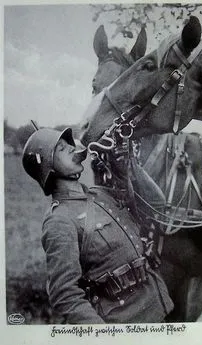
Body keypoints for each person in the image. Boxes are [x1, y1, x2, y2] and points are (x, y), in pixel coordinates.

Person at [22, 126, 173, 324]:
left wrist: (128, 165)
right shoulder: (59, 221)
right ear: (47, 167)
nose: (70, 147)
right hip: (122, 324)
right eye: (60, 148)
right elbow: (64, 294)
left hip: (157, 309)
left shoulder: (100, 195)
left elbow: (156, 205)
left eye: (68, 143)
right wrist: (100, 335)